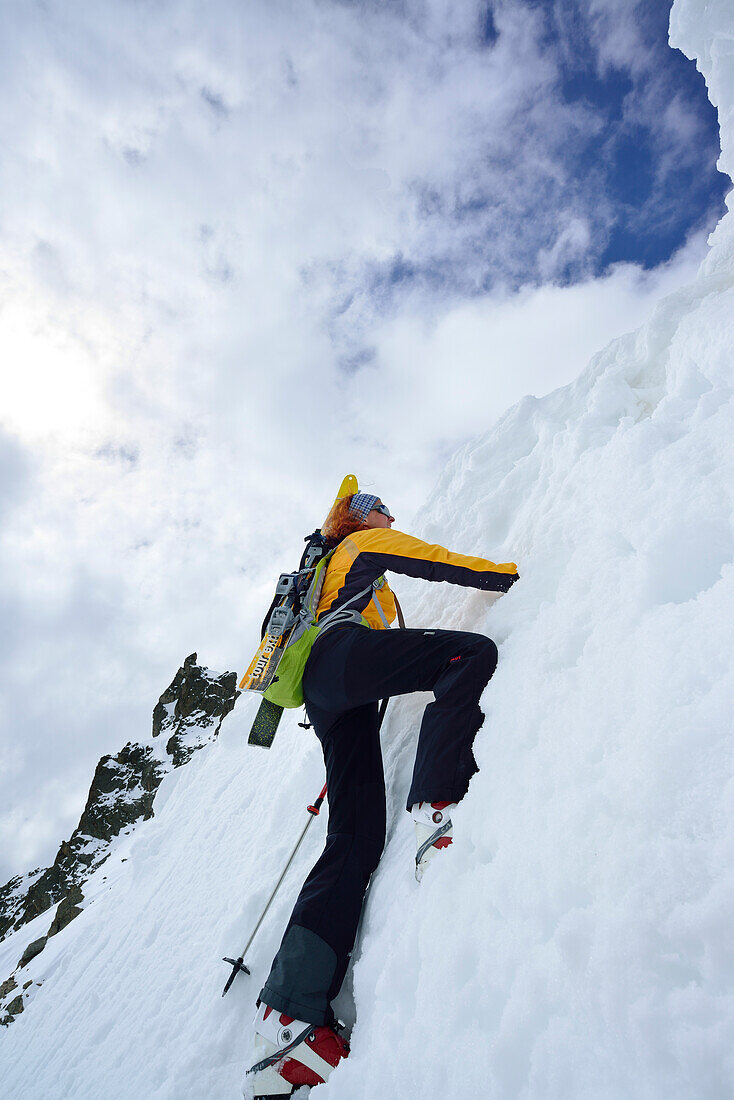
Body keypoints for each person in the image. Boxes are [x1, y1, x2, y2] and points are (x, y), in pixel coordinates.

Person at [246, 493, 518, 1098]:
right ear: (360, 517)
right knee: (468, 654)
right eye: (381, 509)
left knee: (354, 837)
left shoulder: (323, 578)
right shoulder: (359, 545)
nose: (390, 517)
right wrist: (508, 574)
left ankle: (286, 1022)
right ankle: (434, 804)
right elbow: (434, 560)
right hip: (342, 664)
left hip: (330, 697)